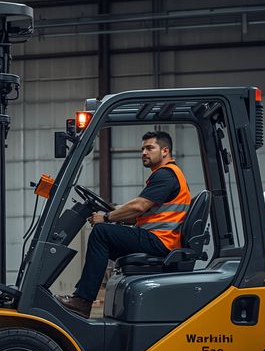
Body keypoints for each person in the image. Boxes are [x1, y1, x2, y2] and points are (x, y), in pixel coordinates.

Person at [57, 130, 191, 318]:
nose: (144, 152)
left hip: (160, 241)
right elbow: (138, 215)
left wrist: (107, 217)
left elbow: (138, 206)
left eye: (149, 148)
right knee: (104, 240)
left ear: (165, 151)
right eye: (142, 149)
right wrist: (112, 214)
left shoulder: (166, 175)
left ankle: (83, 300)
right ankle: (83, 298)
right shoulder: (164, 176)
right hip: (158, 240)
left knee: (102, 233)